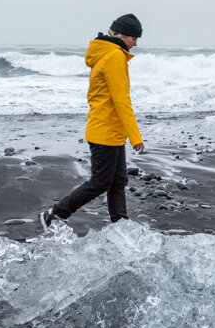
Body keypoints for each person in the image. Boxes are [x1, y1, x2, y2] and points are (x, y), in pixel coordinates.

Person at [40, 14, 145, 229]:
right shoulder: (114, 56)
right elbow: (121, 100)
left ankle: (121, 225)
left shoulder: (107, 54)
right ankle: (55, 214)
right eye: (134, 38)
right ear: (123, 35)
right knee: (101, 182)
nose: (135, 43)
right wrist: (135, 136)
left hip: (110, 130)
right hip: (105, 131)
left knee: (118, 181)